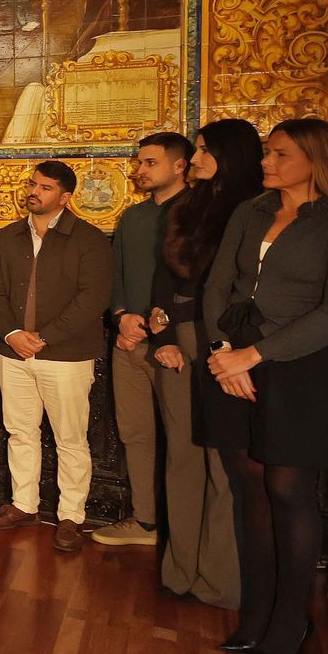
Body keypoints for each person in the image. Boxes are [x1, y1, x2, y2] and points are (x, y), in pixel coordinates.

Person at [204, 118, 328, 654]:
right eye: (266, 154)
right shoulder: (249, 211)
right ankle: (255, 616)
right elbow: (217, 287)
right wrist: (223, 353)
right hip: (232, 359)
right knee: (249, 487)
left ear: (314, 159)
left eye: (278, 155)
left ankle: (291, 621)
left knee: (286, 490)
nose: (266, 163)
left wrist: (253, 356)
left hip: (297, 363)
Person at [143, 120, 262, 605]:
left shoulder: (257, 210)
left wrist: (233, 352)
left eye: (205, 150)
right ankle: (180, 571)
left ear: (230, 154)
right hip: (180, 339)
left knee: (223, 462)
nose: (194, 159)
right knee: (183, 457)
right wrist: (164, 335)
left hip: (229, 346)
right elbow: (162, 276)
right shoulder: (189, 205)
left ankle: (219, 581)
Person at [0, 161, 113, 552]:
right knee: (20, 431)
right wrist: (13, 334)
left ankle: (71, 515)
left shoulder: (88, 239)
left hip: (67, 355)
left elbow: (93, 298)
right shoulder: (7, 237)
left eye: (46, 187)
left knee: (70, 438)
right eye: (33, 184)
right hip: (14, 351)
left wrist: (45, 337)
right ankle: (24, 504)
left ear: (65, 197)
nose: (35, 191)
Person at [97, 131, 193, 547]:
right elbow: (115, 275)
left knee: (183, 437)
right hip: (129, 341)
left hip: (177, 343)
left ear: (179, 165)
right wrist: (121, 317)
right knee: (135, 433)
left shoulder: (197, 215)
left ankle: (186, 529)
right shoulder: (133, 218)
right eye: (139, 162)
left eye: (150, 163)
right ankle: (146, 521)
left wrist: (161, 324)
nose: (140, 170)